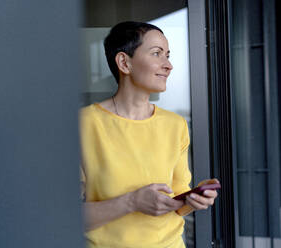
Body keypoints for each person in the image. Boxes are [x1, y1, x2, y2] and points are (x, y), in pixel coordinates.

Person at [79, 21, 219, 248]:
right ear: (124, 62)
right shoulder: (83, 125)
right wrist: (131, 202)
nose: (169, 65)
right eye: (157, 54)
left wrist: (192, 200)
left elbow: (178, 200)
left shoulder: (176, 125)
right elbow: (67, 217)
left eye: (168, 55)